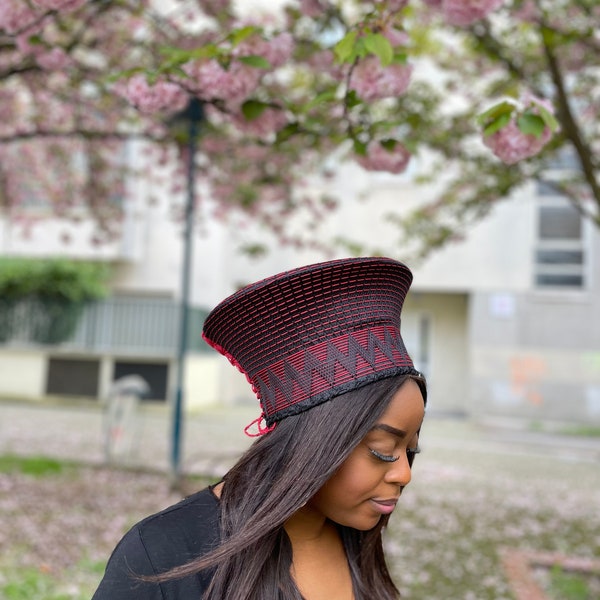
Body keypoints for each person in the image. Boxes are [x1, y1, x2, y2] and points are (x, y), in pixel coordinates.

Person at [92, 257, 427, 600]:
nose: (404, 474)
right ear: (313, 440)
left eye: (410, 450)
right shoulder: (159, 555)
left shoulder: (354, 538)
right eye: (383, 449)